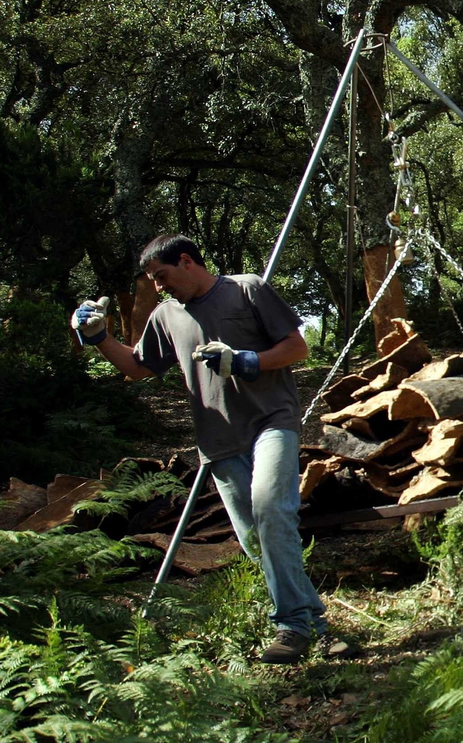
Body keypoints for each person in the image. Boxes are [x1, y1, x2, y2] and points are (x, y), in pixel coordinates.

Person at [70, 234, 327, 664]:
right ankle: (312, 621)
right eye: (153, 281)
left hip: (271, 422)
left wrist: (247, 360)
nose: (159, 287)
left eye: (162, 276)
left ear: (187, 261)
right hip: (219, 439)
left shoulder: (247, 289)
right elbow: (137, 368)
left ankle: (293, 625)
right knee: (253, 538)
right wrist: (98, 337)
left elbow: (297, 348)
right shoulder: (165, 315)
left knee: (269, 508)